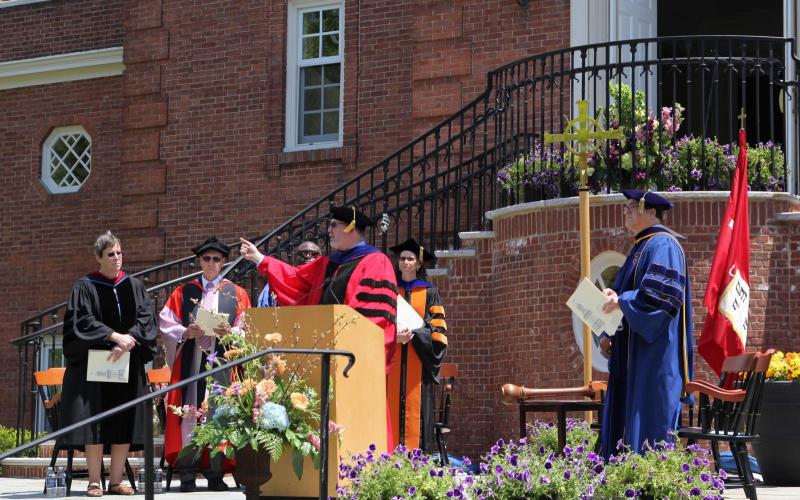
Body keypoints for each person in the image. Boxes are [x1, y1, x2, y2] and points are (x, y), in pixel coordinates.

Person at [239, 206, 399, 447]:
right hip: (322, 355)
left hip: (353, 360)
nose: (329, 231)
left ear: (351, 228)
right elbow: (295, 280)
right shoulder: (327, 264)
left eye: (334, 225)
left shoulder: (376, 261)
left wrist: (345, 338)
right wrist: (260, 259)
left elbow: (376, 317)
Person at [59, 231, 158, 497]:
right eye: (111, 254)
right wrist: (114, 336)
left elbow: (146, 319)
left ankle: (116, 481)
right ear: (98, 258)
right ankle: (94, 481)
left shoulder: (134, 286)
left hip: (127, 361)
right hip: (95, 365)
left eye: (119, 253)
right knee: (95, 420)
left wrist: (129, 340)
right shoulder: (85, 285)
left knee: (123, 418)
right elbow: (82, 321)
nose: (117, 258)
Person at [599, 190, 695, 459]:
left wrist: (622, 300)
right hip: (633, 359)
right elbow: (624, 298)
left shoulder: (663, 245)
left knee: (649, 432)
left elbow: (660, 299)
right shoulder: (641, 247)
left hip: (655, 359)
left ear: (652, 212)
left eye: (633, 206)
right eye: (626, 206)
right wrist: (608, 328)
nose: (625, 211)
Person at [159, 236, 251, 492]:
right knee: (189, 413)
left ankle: (215, 473)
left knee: (218, 414)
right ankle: (187, 474)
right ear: (199, 261)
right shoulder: (184, 291)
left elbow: (247, 328)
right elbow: (166, 324)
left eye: (216, 259)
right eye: (206, 259)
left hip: (222, 362)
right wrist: (185, 331)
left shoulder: (236, 293)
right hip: (192, 362)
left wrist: (230, 332)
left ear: (223, 263)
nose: (211, 263)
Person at [387, 238, 448, 452]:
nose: (404, 262)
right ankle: (390, 453)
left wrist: (413, 334)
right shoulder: (391, 292)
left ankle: (418, 456)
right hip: (393, 359)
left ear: (418, 264)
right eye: (402, 258)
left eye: (410, 259)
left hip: (418, 361)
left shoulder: (430, 292)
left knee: (417, 410)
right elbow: (382, 323)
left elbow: (438, 331)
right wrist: (394, 336)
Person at [256, 241, 322, 307]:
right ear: (294, 260)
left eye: (313, 254)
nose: (308, 256)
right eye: (303, 254)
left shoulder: (325, 284)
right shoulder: (275, 285)